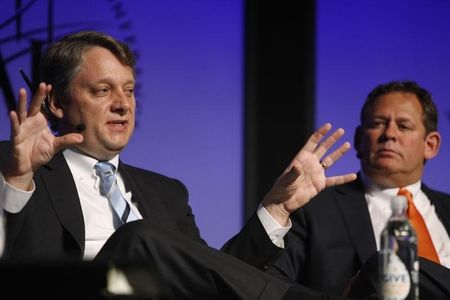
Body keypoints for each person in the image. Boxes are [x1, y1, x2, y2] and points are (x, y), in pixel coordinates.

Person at [0, 30, 357, 299]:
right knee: (138, 238)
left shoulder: (165, 193)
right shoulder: (16, 166)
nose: (123, 105)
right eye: (103, 91)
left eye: (129, 90)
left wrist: (276, 208)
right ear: (58, 104)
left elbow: (217, 281)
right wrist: (16, 179)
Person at [224, 80, 450, 298]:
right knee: (381, 269)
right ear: (360, 139)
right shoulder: (314, 209)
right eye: (378, 123)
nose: (389, 134)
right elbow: (252, 282)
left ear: (430, 145)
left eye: (404, 126)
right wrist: (278, 208)